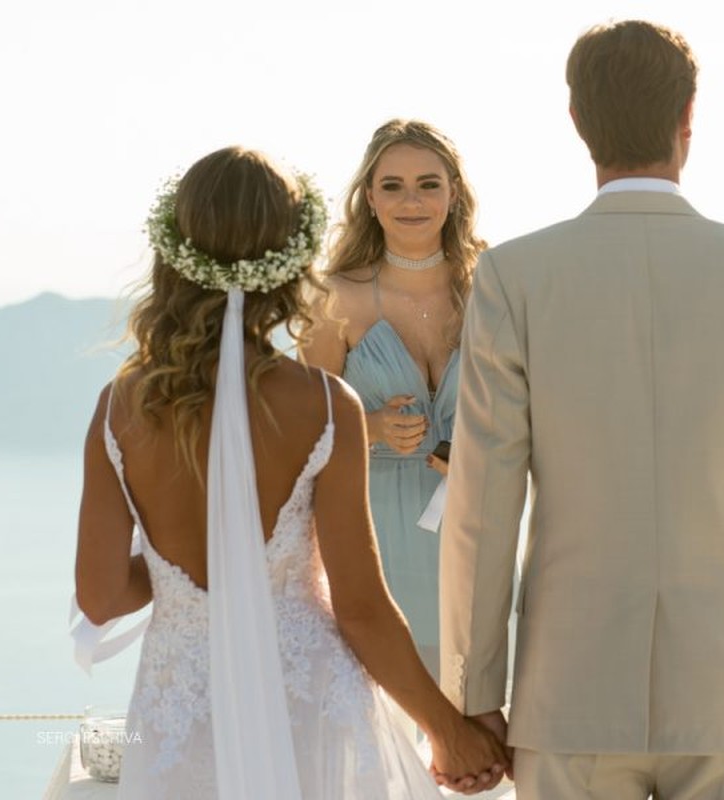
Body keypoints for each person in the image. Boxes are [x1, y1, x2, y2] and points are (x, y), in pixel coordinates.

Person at [438, 20, 724, 799]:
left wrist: (475, 693)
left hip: (569, 693)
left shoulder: (515, 277)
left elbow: (483, 506)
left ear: (578, 121)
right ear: (689, 116)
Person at [73, 145, 507, 797]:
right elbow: (361, 610)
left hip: (178, 718)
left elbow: (101, 598)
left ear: (176, 253)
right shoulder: (324, 405)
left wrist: (178, 572)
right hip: (309, 710)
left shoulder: (120, 407)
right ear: (289, 261)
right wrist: (448, 729)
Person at [302, 119, 484, 679]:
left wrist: (485, 444)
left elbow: (539, 403)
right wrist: (370, 427)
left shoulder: (495, 286)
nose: (412, 201)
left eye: (429, 184)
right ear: (369, 199)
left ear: (454, 194)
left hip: (476, 530)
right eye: (393, 186)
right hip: (372, 532)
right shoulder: (335, 298)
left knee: (479, 704)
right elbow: (299, 426)